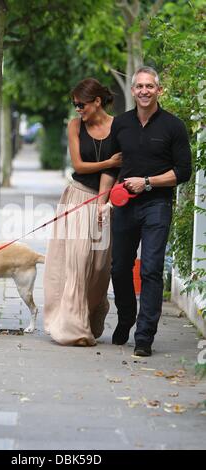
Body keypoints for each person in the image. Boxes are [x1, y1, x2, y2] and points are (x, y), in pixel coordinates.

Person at [108, 66, 192, 357]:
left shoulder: (173, 126)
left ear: (159, 90)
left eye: (150, 86)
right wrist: (105, 197)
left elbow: (183, 172)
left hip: (157, 204)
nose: (144, 91)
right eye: (139, 86)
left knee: (151, 270)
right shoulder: (120, 124)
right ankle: (126, 317)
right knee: (119, 268)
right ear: (132, 91)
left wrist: (147, 182)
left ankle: (144, 337)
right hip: (124, 206)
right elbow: (112, 163)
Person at [43, 78, 121, 346]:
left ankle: (94, 308)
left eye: (81, 104)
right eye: (74, 105)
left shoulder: (118, 127)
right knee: (77, 262)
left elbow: (114, 170)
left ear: (97, 101)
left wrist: (103, 203)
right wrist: (109, 161)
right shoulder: (75, 126)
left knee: (100, 266)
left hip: (104, 199)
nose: (77, 109)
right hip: (77, 196)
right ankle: (73, 328)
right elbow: (78, 164)